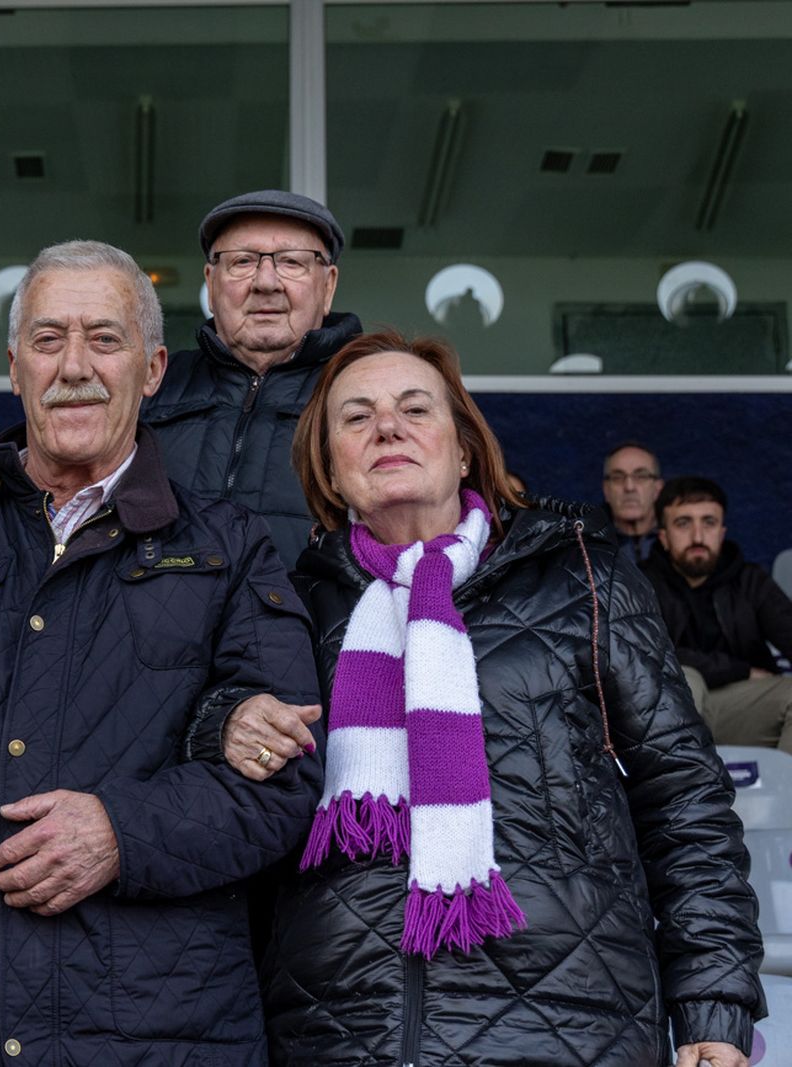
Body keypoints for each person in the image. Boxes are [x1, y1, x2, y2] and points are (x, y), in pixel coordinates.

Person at [0, 240, 322, 1067]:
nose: (74, 364)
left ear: (153, 369)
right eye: (48, 339)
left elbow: (287, 779)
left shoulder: (229, 547)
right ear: (15, 364)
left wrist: (123, 831)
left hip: (165, 1029)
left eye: (104, 339)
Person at [211, 330, 763, 1066]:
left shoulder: (582, 579)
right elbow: (217, 779)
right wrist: (222, 724)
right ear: (330, 470)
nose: (387, 427)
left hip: (571, 1023)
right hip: (345, 1027)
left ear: (464, 449)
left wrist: (712, 1003)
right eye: (356, 417)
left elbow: (684, 797)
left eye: (415, 408)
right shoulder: (287, 603)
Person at [142, 190, 363, 567]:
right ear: (211, 284)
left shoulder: (368, 390)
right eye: (242, 261)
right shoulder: (151, 385)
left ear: (328, 286)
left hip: (313, 624)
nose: (266, 282)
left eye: (291, 262)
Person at [643, 476, 792, 753]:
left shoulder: (750, 580)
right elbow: (652, 655)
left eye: (708, 522)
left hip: (742, 707)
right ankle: (687, 795)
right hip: (670, 711)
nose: (698, 537)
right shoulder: (640, 584)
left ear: (722, 533)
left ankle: (785, 795)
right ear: (663, 536)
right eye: (683, 523)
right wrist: (740, 670)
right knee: (686, 678)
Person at [603, 440, 664, 564]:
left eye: (641, 476)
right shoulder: (585, 546)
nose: (629, 487)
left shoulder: (679, 543)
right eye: (617, 477)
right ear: (606, 490)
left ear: (658, 488)